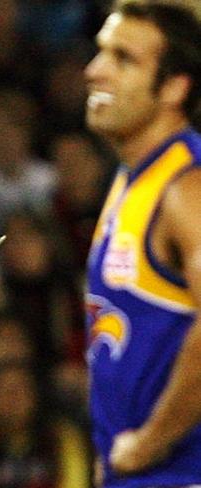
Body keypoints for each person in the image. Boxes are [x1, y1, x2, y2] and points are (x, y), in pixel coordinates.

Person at [84, 0, 201, 486]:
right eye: (101, 52)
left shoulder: (187, 186)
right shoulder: (133, 177)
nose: (94, 71)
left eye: (123, 59)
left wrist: (151, 442)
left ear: (174, 87)